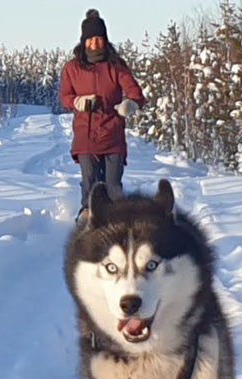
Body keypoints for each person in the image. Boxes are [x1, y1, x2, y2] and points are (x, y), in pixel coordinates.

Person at [60, 9, 146, 222]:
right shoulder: (72, 68)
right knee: (89, 182)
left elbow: (136, 94)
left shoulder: (116, 65)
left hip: (112, 134)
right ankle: (88, 220)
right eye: (90, 39)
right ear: (84, 41)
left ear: (105, 39)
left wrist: (130, 105)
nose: (94, 43)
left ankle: (117, 223)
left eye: (98, 38)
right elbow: (64, 96)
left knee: (113, 185)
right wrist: (77, 102)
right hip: (85, 135)